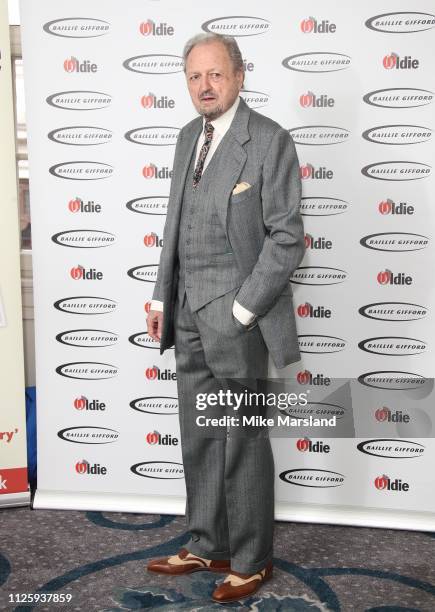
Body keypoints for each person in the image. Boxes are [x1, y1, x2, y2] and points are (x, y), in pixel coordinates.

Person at [146, 32, 305, 604]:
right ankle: (207, 541)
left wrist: (243, 308)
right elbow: (175, 228)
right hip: (187, 315)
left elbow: (287, 238)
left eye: (214, 74)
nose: (204, 86)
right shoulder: (190, 136)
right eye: (194, 76)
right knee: (200, 435)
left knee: (242, 440)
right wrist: (163, 300)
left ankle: (252, 558)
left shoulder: (268, 140)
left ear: (239, 75)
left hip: (238, 320)